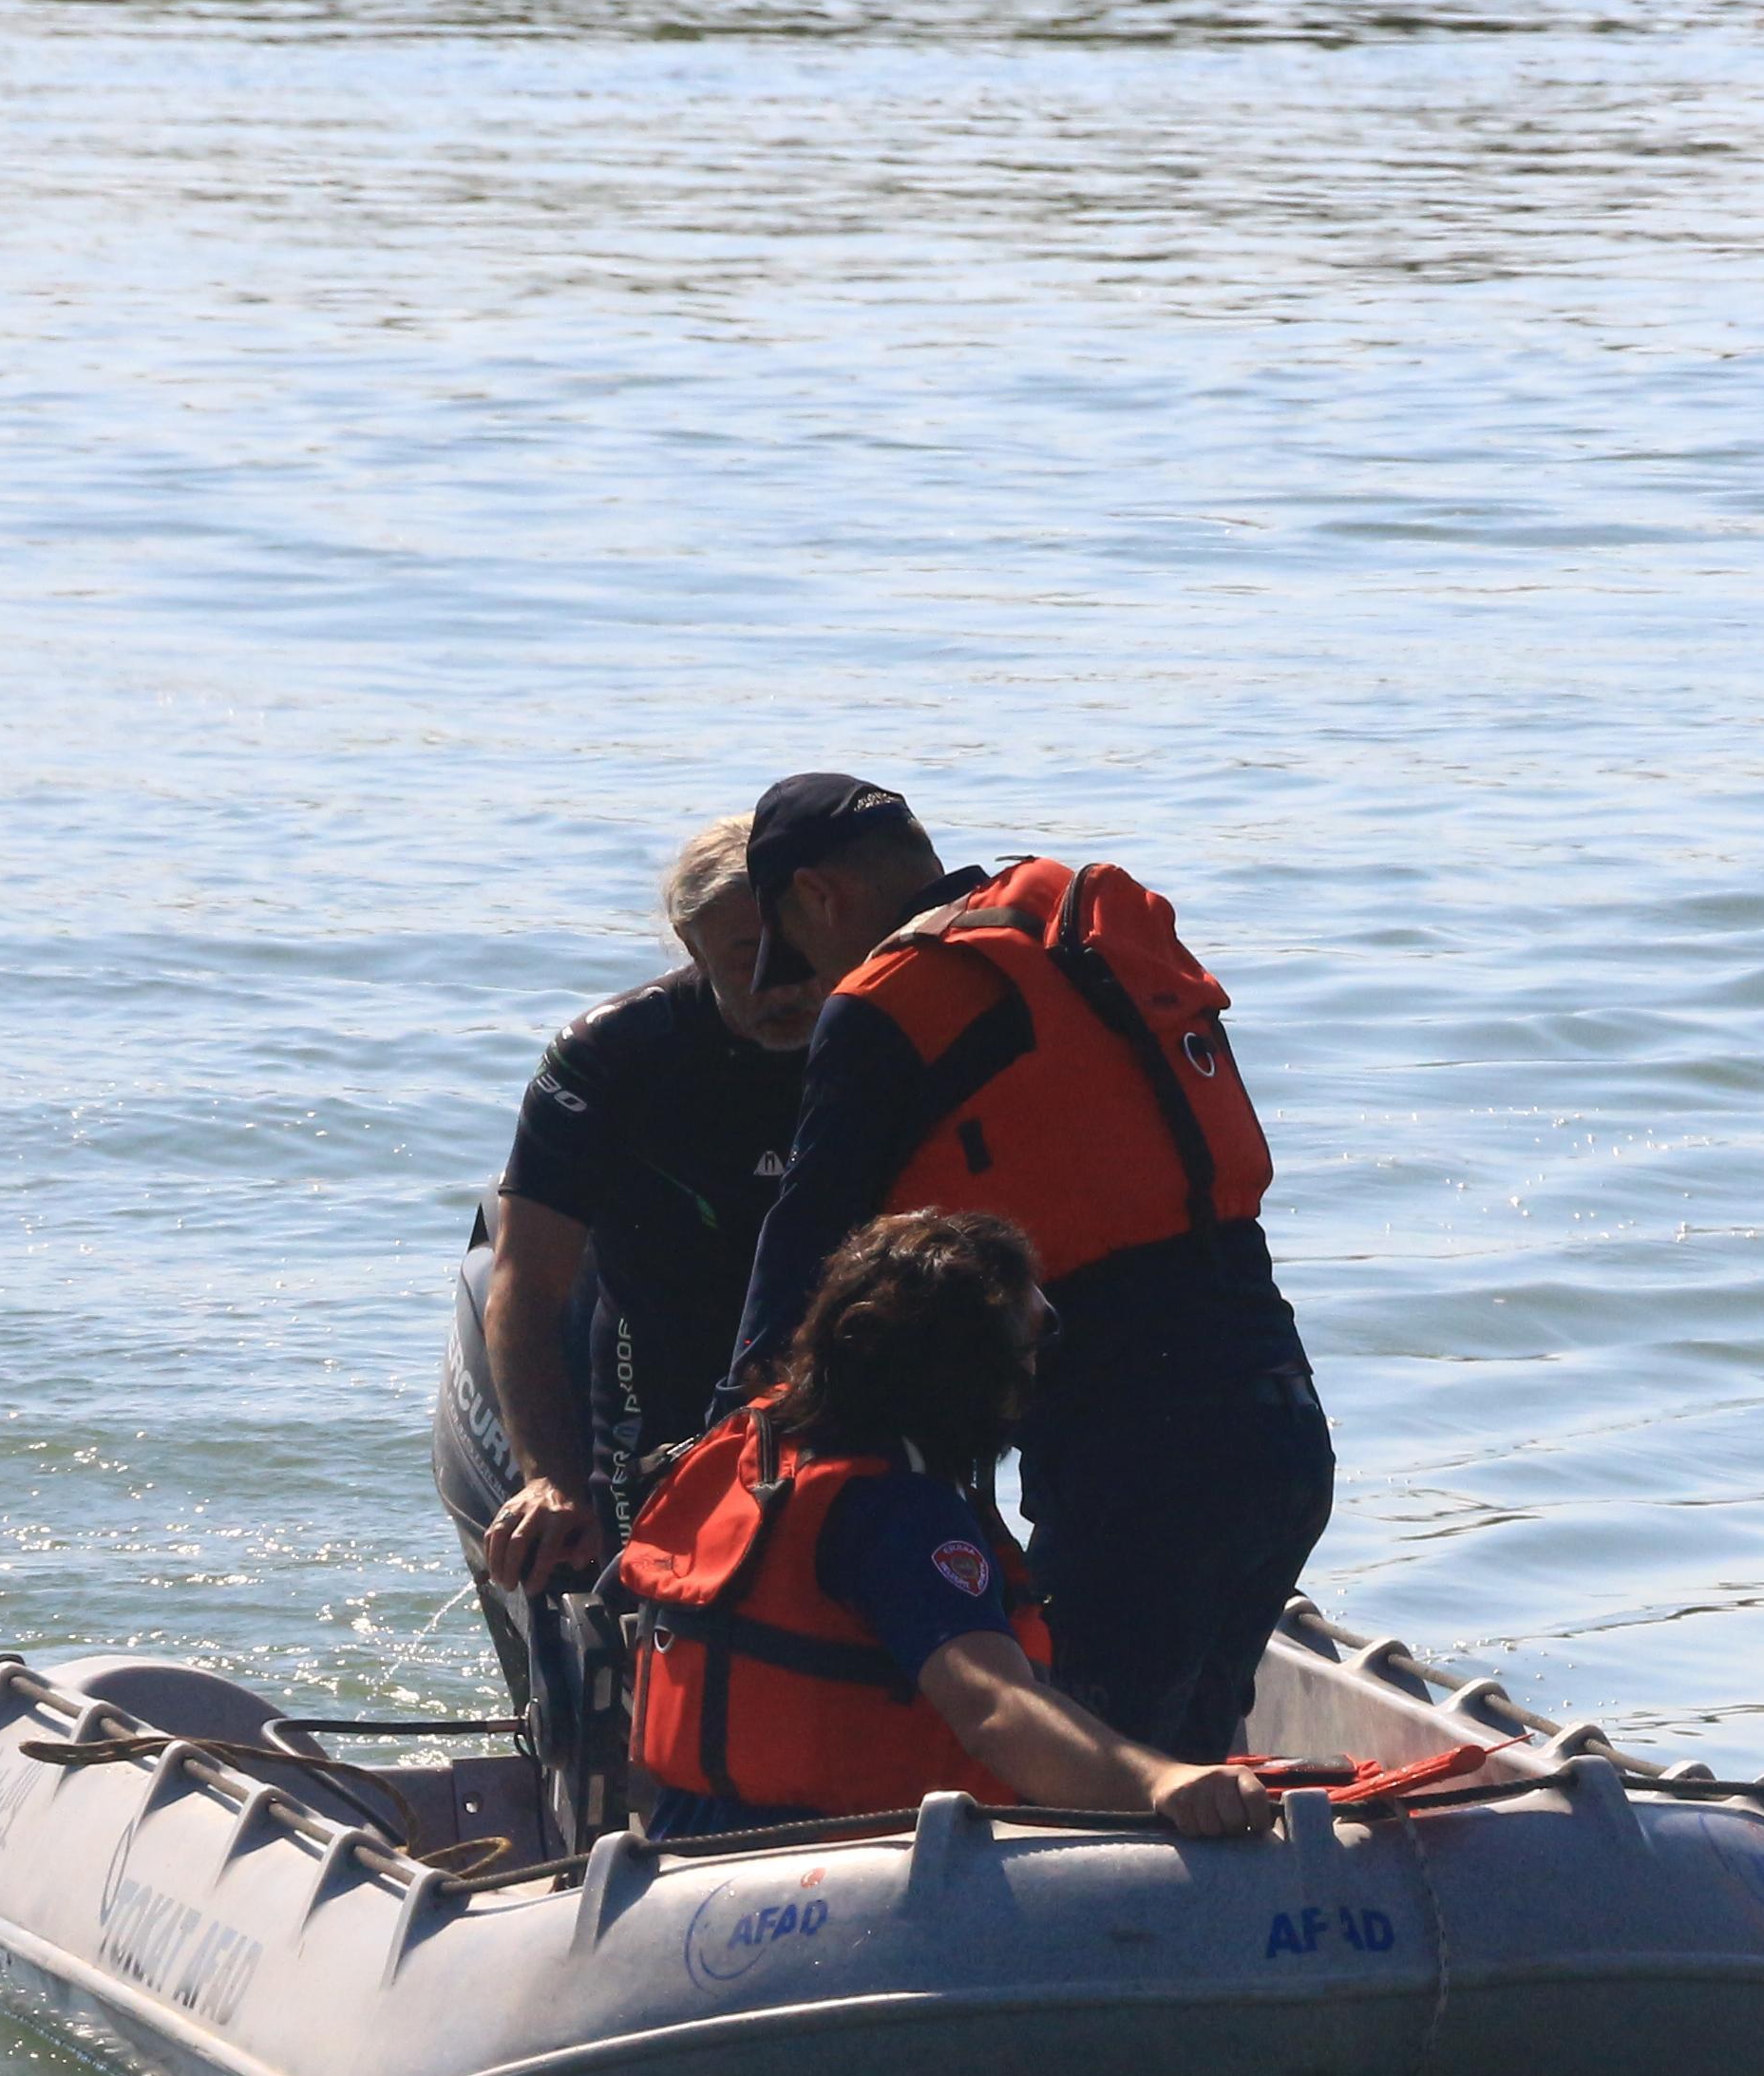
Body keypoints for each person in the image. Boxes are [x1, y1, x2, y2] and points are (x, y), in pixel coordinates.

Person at [709, 774, 1332, 1765]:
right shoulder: (1078, 935)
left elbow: (806, 1238)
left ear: (819, 897)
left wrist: (728, 1427)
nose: (814, 981)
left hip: (1141, 1458)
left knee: (1093, 1777)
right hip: (1283, 1429)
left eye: (800, 951)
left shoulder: (886, 1001)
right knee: (1189, 1766)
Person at [623, 1209, 1279, 1839]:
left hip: (688, 1854)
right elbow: (993, 1708)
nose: (1032, 1375)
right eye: (1025, 1351)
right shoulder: (899, 1513)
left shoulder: (755, 1455)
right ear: (960, 1368)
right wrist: (1161, 1780)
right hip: (832, 1874)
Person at [433, 812, 827, 1711]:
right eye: (748, 956)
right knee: (651, 1648)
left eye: (802, 954)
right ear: (691, 942)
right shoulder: (614, 1054)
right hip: (653, 1374)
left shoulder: (879, 1038)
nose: (783, 984)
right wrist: (548, 1477)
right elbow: (528, 1280)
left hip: (827, 1374)